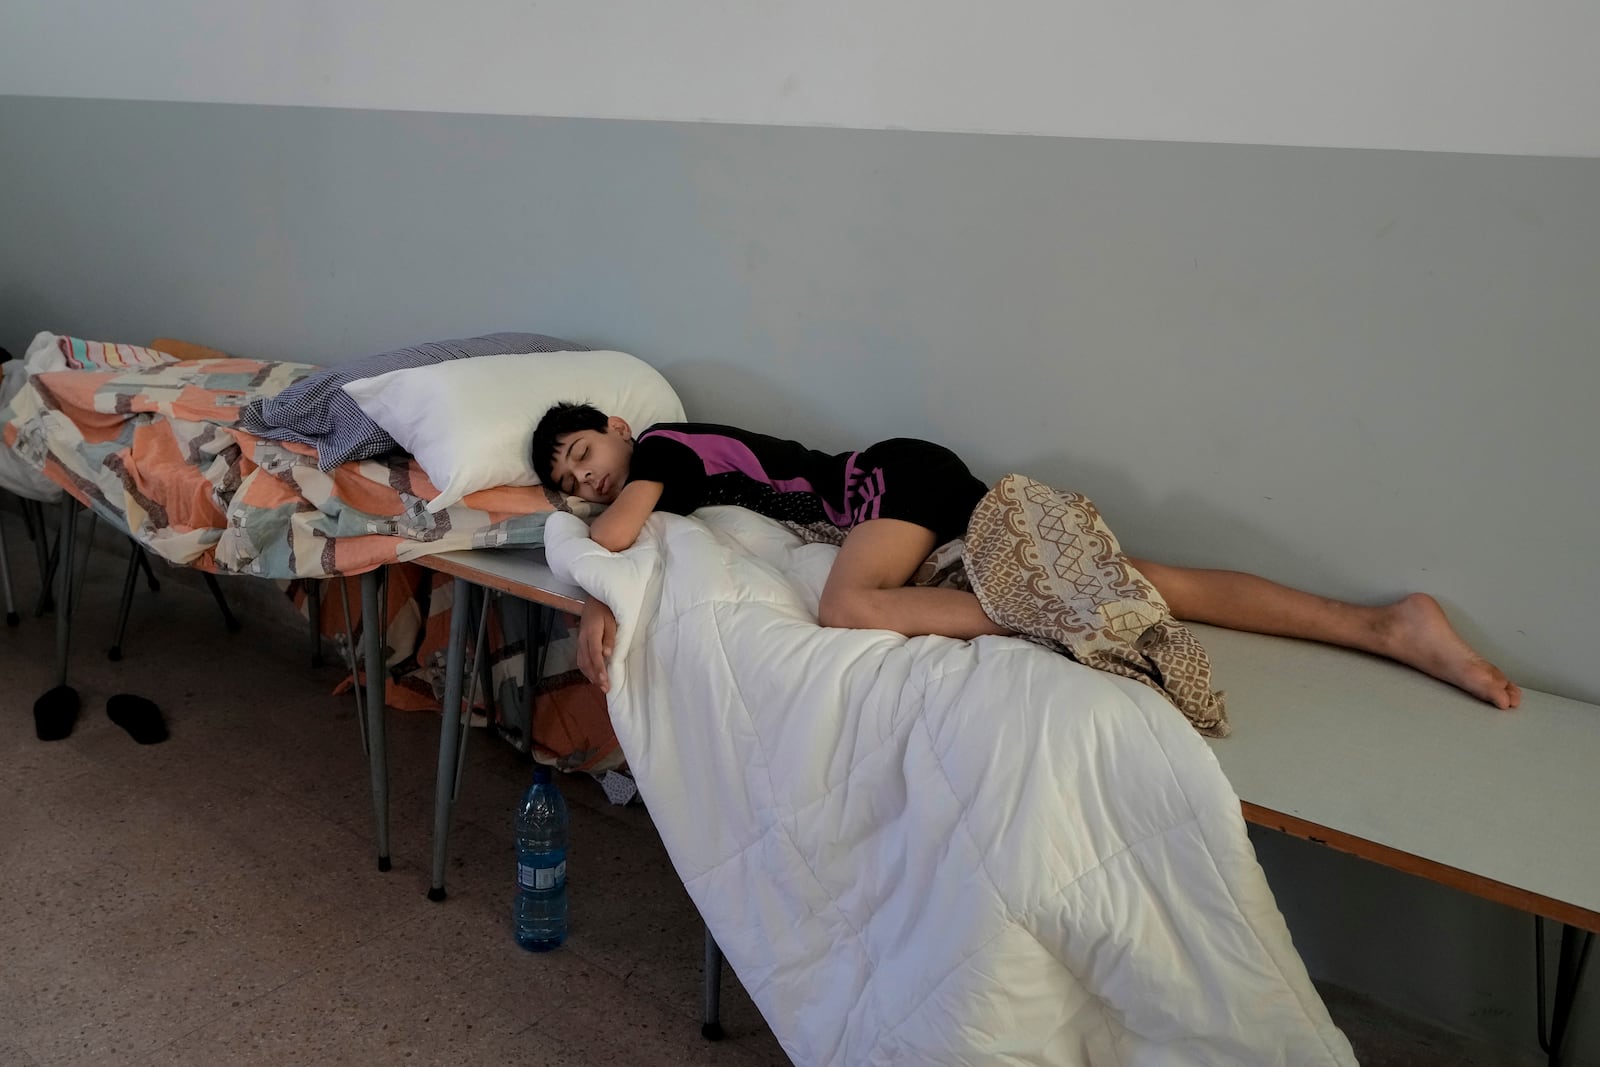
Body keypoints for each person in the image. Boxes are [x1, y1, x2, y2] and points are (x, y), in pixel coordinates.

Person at [531, 402, 1521, 710]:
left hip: (887, 483)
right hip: (919, 514)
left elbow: (614, 538)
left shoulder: (660, 445)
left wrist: (558, 528)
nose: (585, 483)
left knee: (849, 607)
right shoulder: (655, 484)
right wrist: (595, 596)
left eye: (583, 455)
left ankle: (1053, 619)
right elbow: (635, 554)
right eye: (569, 481)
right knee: (1141, 581)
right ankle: (1382, 624)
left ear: (617, 427)